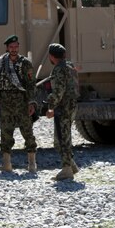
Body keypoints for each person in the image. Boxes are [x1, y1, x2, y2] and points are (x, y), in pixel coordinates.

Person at [0, 35, 38, 173]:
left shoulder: (25, 63)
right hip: (5, 102)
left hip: (21, 102)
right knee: (6, 132)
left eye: (16, 47)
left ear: (19, 47)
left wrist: (31, 102)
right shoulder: (2, 62)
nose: (14, 50)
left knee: (27, 132)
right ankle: (6, 163)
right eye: (11, 47)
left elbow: (30, 84)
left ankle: (32, 163)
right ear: (7, 48)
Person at [45, 43, 80, 181]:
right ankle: (71, 166)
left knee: (61, 139)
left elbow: (58, 91)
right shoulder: (70, 66)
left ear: (52, 56)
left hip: (63, 107)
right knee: (63, 137)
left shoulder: (59, 69)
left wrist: (51, 107)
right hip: (71, 105)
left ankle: (67, 170)